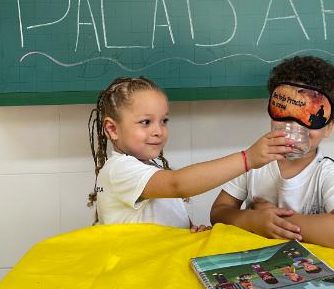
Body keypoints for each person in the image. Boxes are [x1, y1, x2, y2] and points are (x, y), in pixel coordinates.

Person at [87, 76, 292, 230]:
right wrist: (248, 159)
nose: (158, 131)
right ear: (112, 129)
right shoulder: (118, 169)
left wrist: (190, 230)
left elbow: (168, 219)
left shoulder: (151, 170)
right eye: (146, 122)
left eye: (163, 121)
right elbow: (178, 185)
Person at [210, 56, 334, 250]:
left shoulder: (328, 173)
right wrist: (253, 220)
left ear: (328, 127)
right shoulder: (254, 161)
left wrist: (271, 220)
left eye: (311, 115)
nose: (294, 126)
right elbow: (218, 213)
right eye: (286, 111)